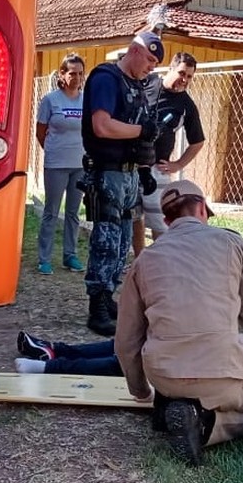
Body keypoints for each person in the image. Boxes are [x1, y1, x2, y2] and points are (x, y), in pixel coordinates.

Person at [114, 180, 243, 466]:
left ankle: (178, 408)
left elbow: (126, 340)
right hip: (225, 373)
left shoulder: (145, 259)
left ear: (167, 221)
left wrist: (141, 391)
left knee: (189, 391)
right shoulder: (234, 244)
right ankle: (206, 425)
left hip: (165, 377)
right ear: (203, 210)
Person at [81, 31, 164, 337]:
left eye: (155, 63)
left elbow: (138, 132)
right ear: (134, 51)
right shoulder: (107, 78)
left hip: (129, 174)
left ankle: (108, 296)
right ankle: (97, 306)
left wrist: (144, 169)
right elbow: (102, 126)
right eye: (150, 59)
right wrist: (142, 130)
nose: (151, 67)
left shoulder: (136, 85)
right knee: (106, 240)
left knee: (122, 241)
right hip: (108, 172)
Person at [15, 323, 243, 384]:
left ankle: (48, 368)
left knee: (134, 363)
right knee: (129, 343)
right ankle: (52, 351)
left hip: (223, 357)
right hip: (219, 338)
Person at [131, 52, 206, 256]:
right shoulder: (147, 83)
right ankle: (139, 260)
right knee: (134, 217)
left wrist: (178, 164)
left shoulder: (186, 105)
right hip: (131, 164)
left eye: (189, 76)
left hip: (157, 170)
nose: (185, 80)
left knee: (159, 223)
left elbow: (198, 141)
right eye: (182, 73)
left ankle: (162, 262)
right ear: (171, 69)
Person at [34, 53, 87, 275]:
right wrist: (53, 151)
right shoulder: (50, 100)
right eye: (72, 73)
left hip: (80, 164)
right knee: (51, 211)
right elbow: (41, 132)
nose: (77, 78)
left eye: (80, 74)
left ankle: (70, 255)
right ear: (62, 74)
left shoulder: (87, 100)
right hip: (56, 164)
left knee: (73, 213)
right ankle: (44, 258)